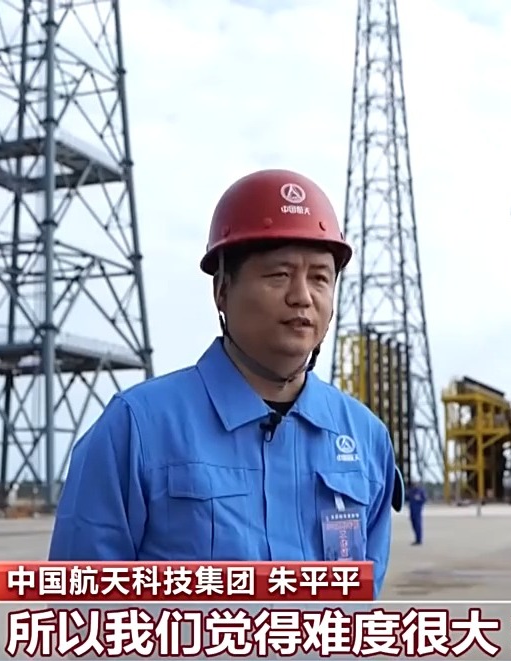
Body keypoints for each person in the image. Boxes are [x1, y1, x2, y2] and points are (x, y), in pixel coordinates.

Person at [48, 169, 403, 597]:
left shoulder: (364, 439)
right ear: (222, 289)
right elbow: (79, 610)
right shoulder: (135, 430)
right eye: (279, 275)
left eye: (320, 278)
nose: (302, 296)